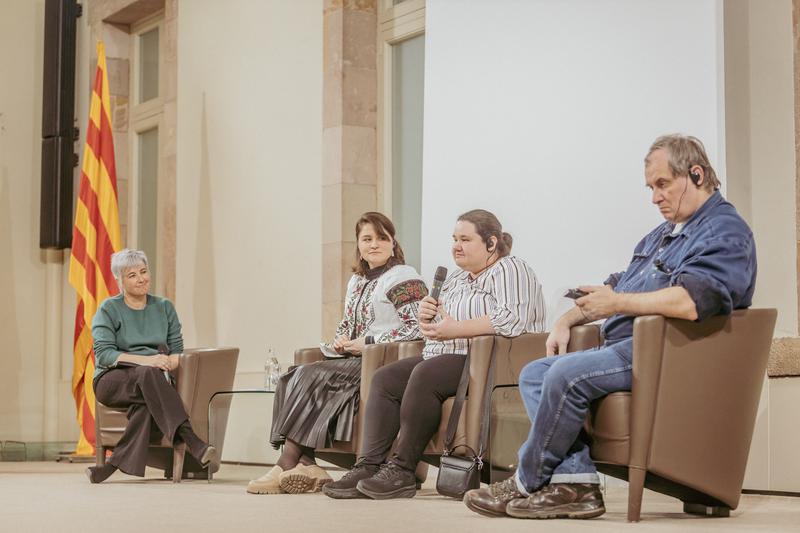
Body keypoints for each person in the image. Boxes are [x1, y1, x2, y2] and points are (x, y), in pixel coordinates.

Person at [464, 134, 757, 520]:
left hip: (670, 351)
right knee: (536, 373)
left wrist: (616, 303)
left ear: (697, 174)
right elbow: (622, 284)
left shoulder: (724, 231)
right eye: (651, 187)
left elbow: (691, 300)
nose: (655, 197)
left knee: (566, 374)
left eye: (663, 184)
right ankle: (576, 485)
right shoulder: (661, 235)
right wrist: (568, 318)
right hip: (628, 346)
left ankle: (525, 479)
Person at [323, 209, 546, 500]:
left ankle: (402, 469)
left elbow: (511, 318)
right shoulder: (455, 278)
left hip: (493, 360)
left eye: (465, 239)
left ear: (491, 244)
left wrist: (455, 329)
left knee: (425, 374)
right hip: (448, 354)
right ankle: (368, 465)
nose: (456, 245)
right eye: (454, 238)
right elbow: (435, 326)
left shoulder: (509, 268)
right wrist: (427, 318)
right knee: (386, 378)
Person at [247, 212, 427, 494]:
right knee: (294, 374)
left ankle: (287, 462)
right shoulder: (357, 280)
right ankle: (307, 462)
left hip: (385, 362)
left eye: (382, 238)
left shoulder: (403, 277)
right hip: (355, 358)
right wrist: (341, 340)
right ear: (358, 244)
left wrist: (367, 341)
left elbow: (418, 327)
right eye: (367, 239)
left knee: (312, 375)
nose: (374, 244)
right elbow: (347, 323)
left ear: (393, 243)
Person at [87, 249, 215, 483]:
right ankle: (191, 440)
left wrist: (168, 362)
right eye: (132, 275)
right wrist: (148, 361)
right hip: (112, 380)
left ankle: (111, 465)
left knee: (147, 400)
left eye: (144, 272)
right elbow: (104, 355)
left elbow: (177, 352)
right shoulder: (109, 308)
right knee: (147, 373)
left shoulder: (164, 307)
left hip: (153, 379)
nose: (141, 279)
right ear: (120, 281)